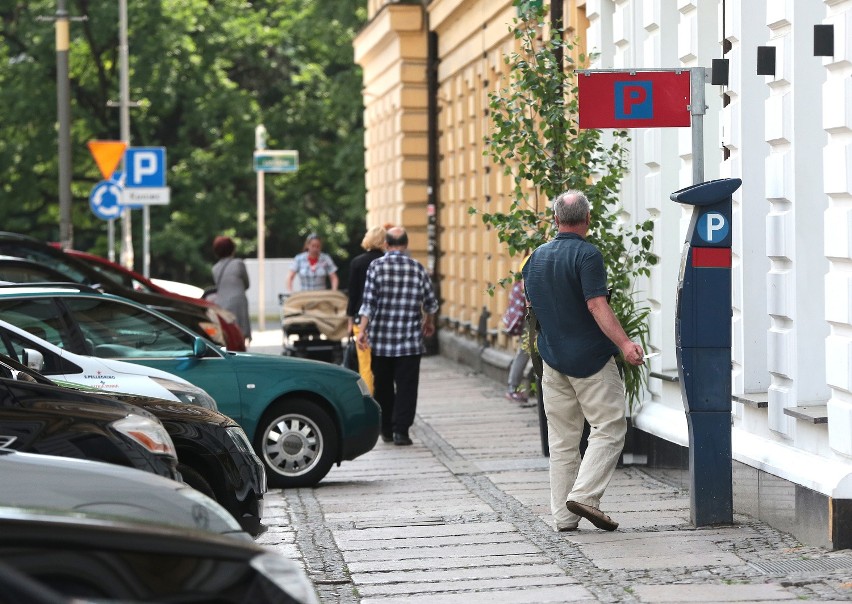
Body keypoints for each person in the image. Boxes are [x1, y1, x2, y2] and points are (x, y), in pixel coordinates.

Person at [522, 190, 644, 533]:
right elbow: (596, 305)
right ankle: (586, 496)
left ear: (555, 219)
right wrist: (624, 343)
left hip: (552, 360)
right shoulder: (588, 255)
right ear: (587, 219)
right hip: (590, 359)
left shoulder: (536, 257)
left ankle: (563, 517)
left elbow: (531, 307)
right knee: (609, 427)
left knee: (562, 440)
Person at [356, 226, 438, 446]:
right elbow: (430, 302)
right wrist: (427, 323)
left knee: (382, 386)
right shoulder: (417, 268)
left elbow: (368, 303)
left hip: (382, 341)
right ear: (406, 244)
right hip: (410, 342)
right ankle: (402, 431)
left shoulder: (376, 266)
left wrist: (362, 330)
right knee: (407, 387)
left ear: (386, 245)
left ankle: (386, 430)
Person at [346, 225, 387, 394]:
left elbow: (353, 294)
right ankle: (385, 397)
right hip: (384, 320)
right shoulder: (386, 263)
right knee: (384, 363)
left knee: (365, 364)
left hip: (360, 320)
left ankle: (369, 400)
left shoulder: (357, 262)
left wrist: (349, 321)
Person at [211, 235, 252, 346]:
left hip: (221, 305)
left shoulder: (214, 268)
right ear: (232, 249)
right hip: (238, 303)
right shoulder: (239, 263)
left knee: (227, 335)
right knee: (240, 333)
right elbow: (247, 284)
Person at [502, 278, 533, 405]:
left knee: (524, 351)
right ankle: (513, 388)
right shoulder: (530, 261)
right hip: (531, 316)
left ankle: (513, 388)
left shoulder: (528, 261)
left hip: (529, 315)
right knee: (524, 351)